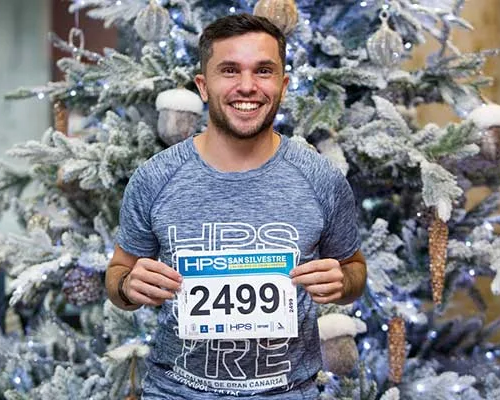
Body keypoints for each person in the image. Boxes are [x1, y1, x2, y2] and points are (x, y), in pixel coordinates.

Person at [105, 13, 367, 399]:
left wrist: (343, 281)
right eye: (229, 70)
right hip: (175, 392)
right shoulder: (155, 177)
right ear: (203, 86)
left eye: (264, 71)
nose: (247, 86)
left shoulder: (320, 178)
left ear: (283, 84)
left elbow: (355, 270)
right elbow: (117, 277)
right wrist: (128, 285)